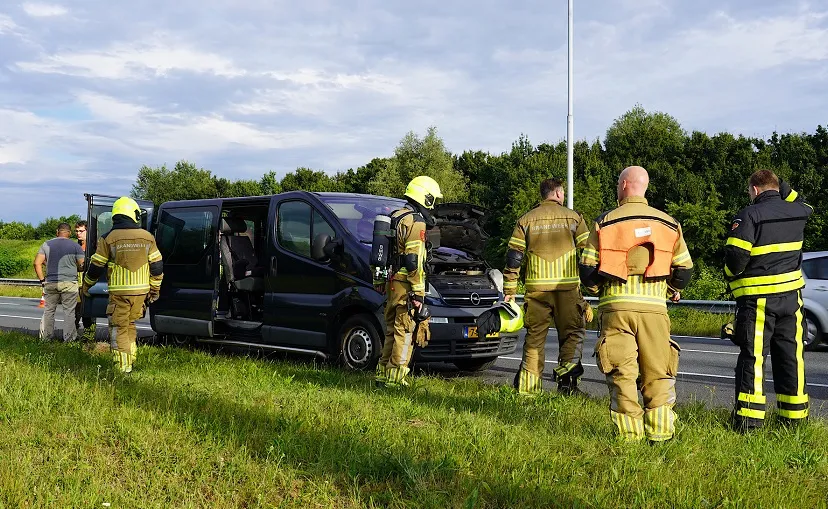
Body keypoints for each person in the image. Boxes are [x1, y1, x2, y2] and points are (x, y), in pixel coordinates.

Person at [579, 166, 693, 442]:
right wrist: (671, 289)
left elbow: (587, 270)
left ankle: (629, 437)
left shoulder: (604, 222)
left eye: (618, 184)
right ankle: (661, 433)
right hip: (655, 309)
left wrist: (597, 288)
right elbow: (685, 269)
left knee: (622, 372)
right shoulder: (669, 223)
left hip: (617, 308)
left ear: (625, 184)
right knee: (659, 370)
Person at [724, 170, 812, 432]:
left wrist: (730, 276)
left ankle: (749, 424)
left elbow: (736, 258)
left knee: (754, 359)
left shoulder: (750, 214)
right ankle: (794, 422)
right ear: (776, 187)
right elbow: (803, 201)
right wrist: (779, 183)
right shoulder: (799, 211)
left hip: (759, 300)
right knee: (791, 358)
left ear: (754, 190)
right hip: (792, 300)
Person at [502, 178, 591, 396]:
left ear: (543, 195)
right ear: (559, 194)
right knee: (573, 334)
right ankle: (567, 387)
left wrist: (509, 292)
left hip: (537, 291)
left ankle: (528, 391)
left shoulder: (526, 220)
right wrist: (594, 287)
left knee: (534, 340)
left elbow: (514, 259)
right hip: (567, 290)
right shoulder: (574, 218)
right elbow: (589, 254)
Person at [373, 176, 442, 388]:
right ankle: (396, 379)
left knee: (392, 330)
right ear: (426, 197)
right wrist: (419, 293)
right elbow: (413, 261)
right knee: (405, 331)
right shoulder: (416, 221)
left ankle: (382, 374)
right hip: (407, 285)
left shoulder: (396, 216)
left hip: (393, 282)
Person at [82, 197, 163, 373]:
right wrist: (154, 291)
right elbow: (157, 267)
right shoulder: (147, 237)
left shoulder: (108, 238)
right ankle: (131, 358)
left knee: (118, 329)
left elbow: (96, 266)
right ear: (133, 214)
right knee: (130, 325)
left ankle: (122, 369)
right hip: (141, 293)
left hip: (119, 294)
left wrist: (86, 286)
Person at [34, 222, 85, 342]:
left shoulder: (46, 244)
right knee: (69, 312)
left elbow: (37, 263)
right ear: (70, 233)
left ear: (57, 232)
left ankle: (45, 338)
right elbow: (82, 265)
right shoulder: (75, 246)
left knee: (49, 311)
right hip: (69, 283)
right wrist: (75, 268)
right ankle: (69, 339)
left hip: (51, 282)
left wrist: (42, 281)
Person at [73, 220, 97, 342]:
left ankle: (89, 335)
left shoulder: (93, 247)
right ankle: (73, 333)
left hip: (87, 283)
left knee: (88, 310)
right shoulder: (74, 246)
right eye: (76, 231)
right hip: (75, 283)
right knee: (75, 311)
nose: (78, 233)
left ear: (88, 231)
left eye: (81, 231)